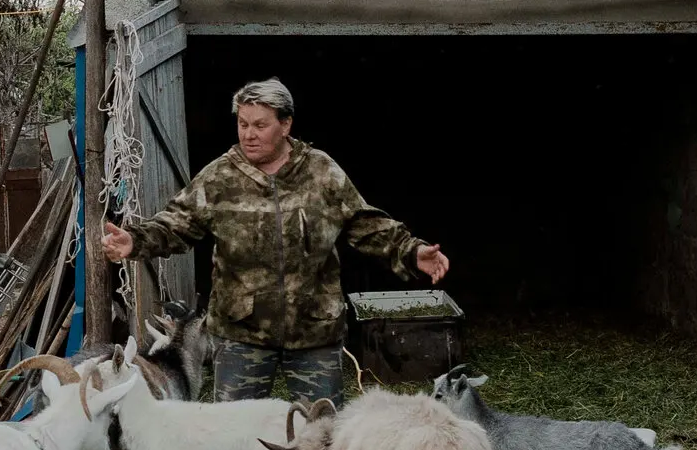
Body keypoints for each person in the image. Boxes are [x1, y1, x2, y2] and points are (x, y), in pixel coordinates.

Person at [101, 77, 449, 404]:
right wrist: (136, 239)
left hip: (314, 329)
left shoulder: (320, 172)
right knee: (235, 431)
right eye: (243, 124)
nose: (249, 134)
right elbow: (177, 223)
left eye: (260, 125)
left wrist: (411, 251)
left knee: (320, 427)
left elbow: (363, 223)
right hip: (241, 334)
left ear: (285, 125)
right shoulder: (220, 176)